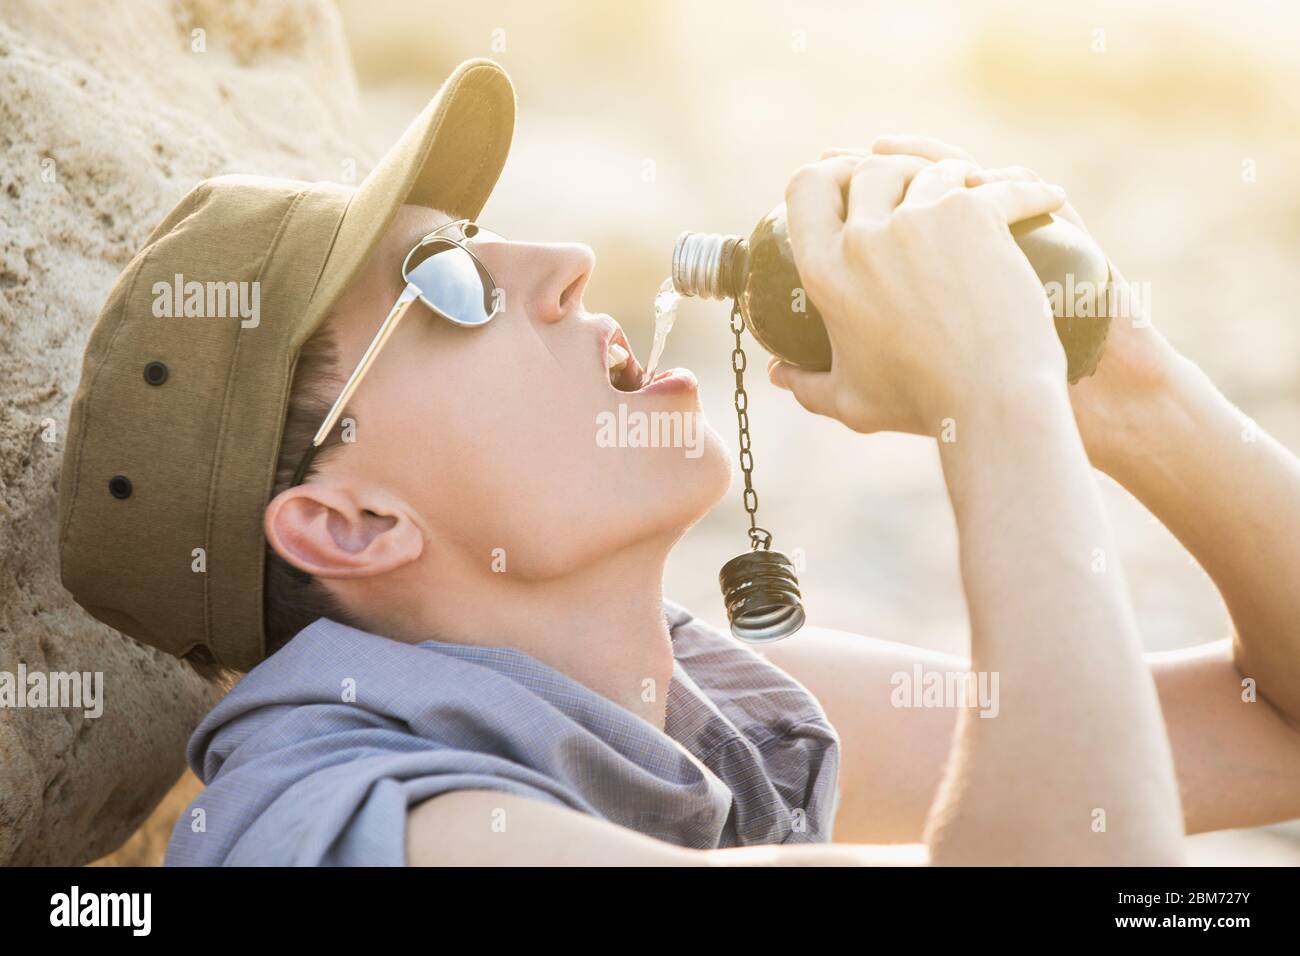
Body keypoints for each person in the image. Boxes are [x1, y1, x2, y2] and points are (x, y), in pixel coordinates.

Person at [58, 60, 1300, 866]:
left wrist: (1132, 398)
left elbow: (1276, 731)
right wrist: (999, 401)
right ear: (353, 524)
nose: (563, 264)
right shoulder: (385, 823)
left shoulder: (673, 698)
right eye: (445, 286)